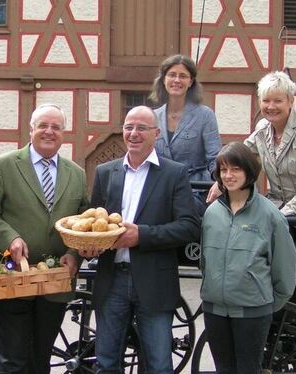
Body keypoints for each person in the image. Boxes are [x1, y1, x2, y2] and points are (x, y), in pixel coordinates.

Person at [83, 106, 200, 373]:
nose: (133, 133)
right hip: (112, 279)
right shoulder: (105, 172)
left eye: (141, 128)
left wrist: (142, 236)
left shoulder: (174, 173)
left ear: (156, 134)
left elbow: (189, 227)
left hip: (154, 282)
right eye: (128, 127)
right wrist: (90, 247)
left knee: (159, 365)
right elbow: (94, 224)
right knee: (107, 362)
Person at [207, 71, 296, 311]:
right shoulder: (263, 129)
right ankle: (285, 334)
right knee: (277, 277)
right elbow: (242, 154)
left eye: (278, 100)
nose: (271, 106)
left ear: (291, 101)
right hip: (280, 214)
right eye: (266, 100)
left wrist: (284, 213)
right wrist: (220, 180)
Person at [0, 104, 89, 374]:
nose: (49, 131)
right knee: (12, 360)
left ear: (64, 133)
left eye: (56, 127)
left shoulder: (77, 173)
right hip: (12, 276)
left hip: (55, 282)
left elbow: (81, 223)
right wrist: (10, 238)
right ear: (31, 130)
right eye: (43, 125)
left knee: (41, 359)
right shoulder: (3, 166)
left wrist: (74, 254)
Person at [200, 142, 296, 374]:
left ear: (249, 171)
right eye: (223, 170)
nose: (228, 175)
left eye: (235, 169)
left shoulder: (271, 216)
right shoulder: (212, 213)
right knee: (224, 369)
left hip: (252, 312)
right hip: (215, 310)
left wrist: (266, 303)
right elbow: (204, 260)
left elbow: (284, 268)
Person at [150, 54, 222, 214]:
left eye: (183, 76)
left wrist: (219, 181)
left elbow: (215, 158)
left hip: (195, 193)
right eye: (172, 75)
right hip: (160, 192)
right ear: (163, 79)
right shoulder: (153, 117)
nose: (177, 80)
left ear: (191, 82)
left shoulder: (205, 115)